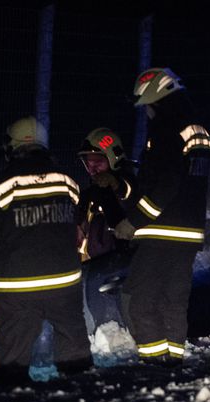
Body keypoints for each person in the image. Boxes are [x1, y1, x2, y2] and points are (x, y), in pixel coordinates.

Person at [0, 115, 92, 387]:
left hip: (17, 289)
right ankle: (82, 400)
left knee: (13, 359)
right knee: (74, 351)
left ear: (11, 148)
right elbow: (80, 226)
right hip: (64, 284)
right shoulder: (68, 181)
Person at [109, 67, 210, 366]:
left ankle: (155, 364)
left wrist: (134, 222)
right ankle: (174, 363)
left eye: (147, 107)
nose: (147, 114)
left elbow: (165, 182)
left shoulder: (168, 127)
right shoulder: (198, 130)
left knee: (140, 299)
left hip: (162, 231)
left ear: (156, 99)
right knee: (173, 300)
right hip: (189, 234)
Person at [75, 127, 138, 330]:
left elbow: (127, 190)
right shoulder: (88, 194)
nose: (93, 169)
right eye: (88, 163)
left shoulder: (126, 184)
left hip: (114, 269)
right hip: (89, 269)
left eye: (98, 162)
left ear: (114, 158)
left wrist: (115, 183)